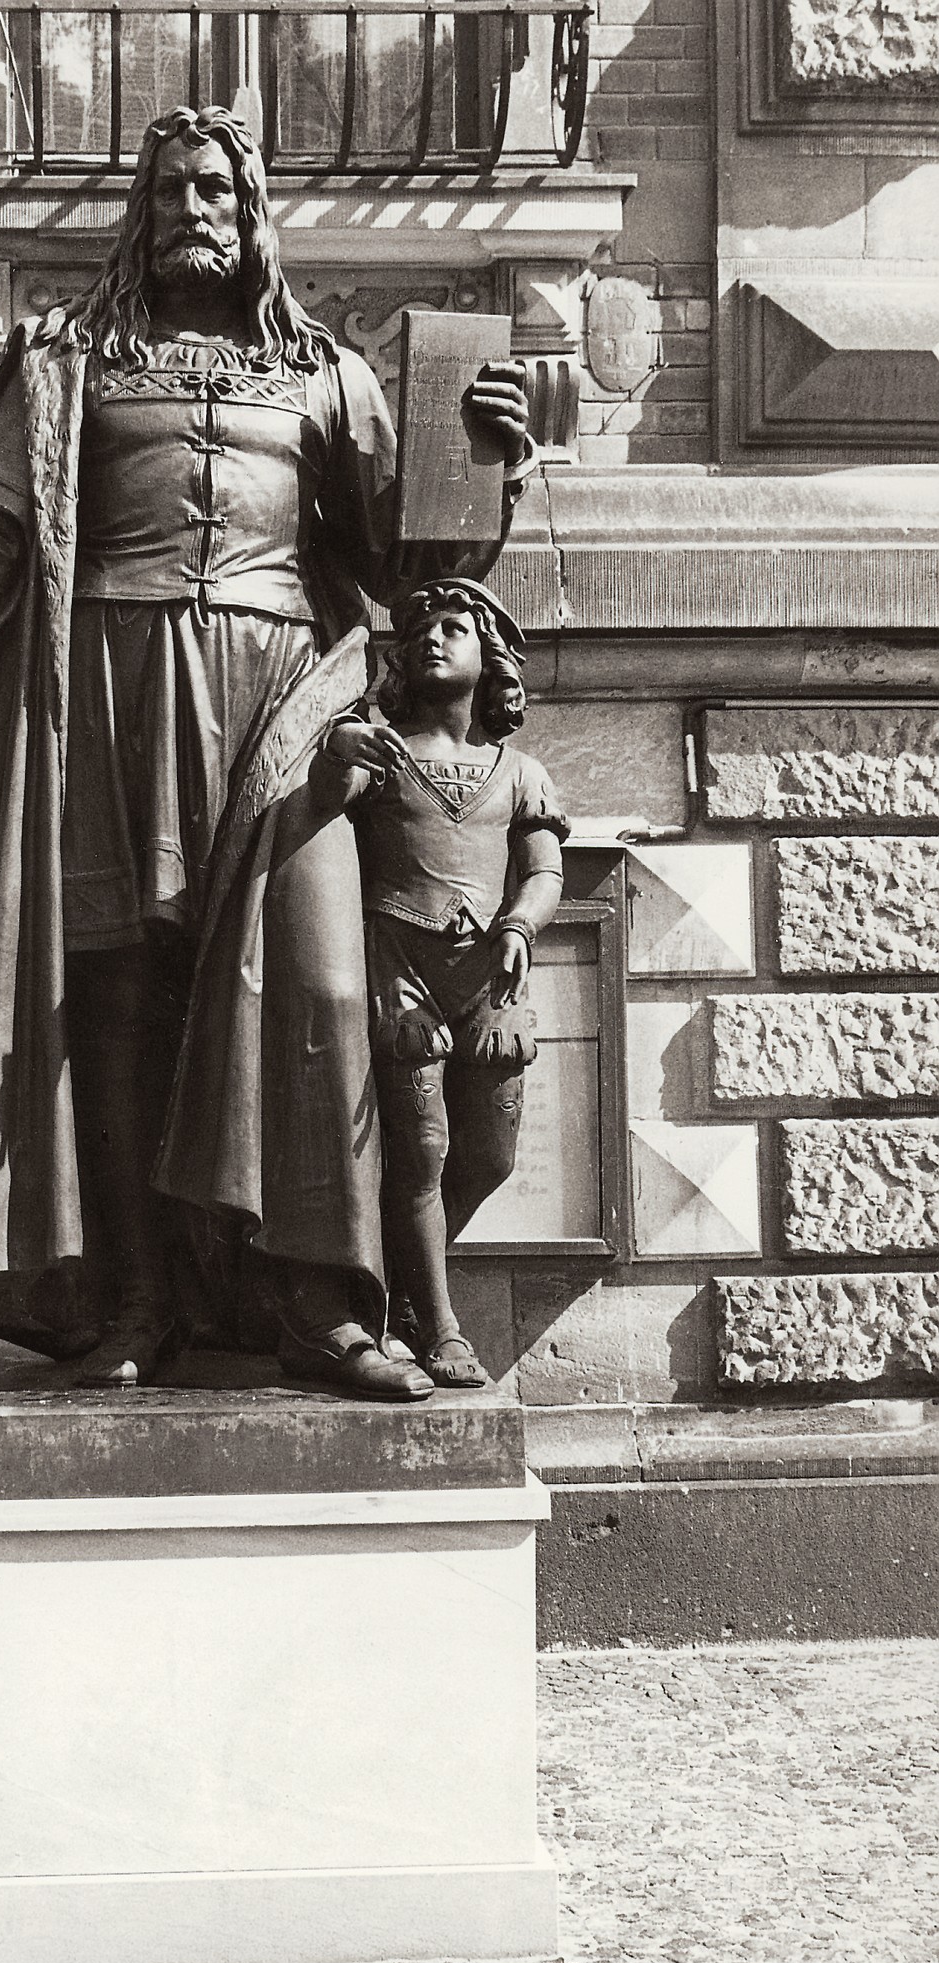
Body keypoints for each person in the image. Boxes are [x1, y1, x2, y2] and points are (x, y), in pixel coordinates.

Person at [0, 103, 534, 1400]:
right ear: (141, 213)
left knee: (317, 991)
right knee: (115, 997)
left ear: (253, 218)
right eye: (172, 189)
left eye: (217, 192)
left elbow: (407, 562)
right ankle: (135, 1301)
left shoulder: (327, 374)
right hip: (103, 697)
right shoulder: (64, 361)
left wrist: (490, 465)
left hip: (284, 708)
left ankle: (321, 1306)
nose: (194, 210)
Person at [310, 578, 568, 1387]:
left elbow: (544, 868)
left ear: (489, 658)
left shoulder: (518, 770)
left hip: (489, 978)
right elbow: (322, 809)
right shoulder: (383, 753)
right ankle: (444, 1331)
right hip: (401, 973)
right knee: (421, 1155)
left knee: (488, 1157)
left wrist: (520, 925)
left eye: (454, 627)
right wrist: (339, 749)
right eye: (419, 629)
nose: (432, 638)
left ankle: (395, 1291)